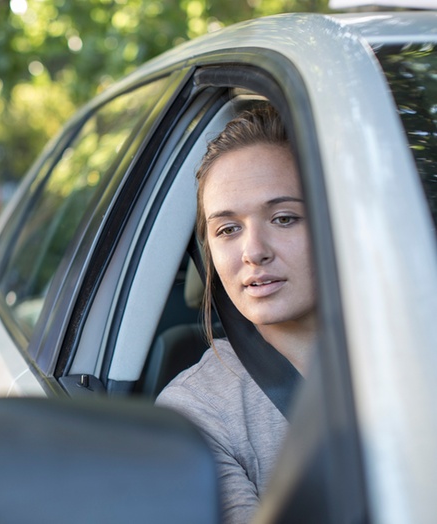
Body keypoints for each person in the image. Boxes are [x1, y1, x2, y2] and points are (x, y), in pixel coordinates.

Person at [155, 105, 317, 524]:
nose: (254, 251)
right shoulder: (195, 411)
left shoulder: (416, 348)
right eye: (228, 229)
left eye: (284, 218)